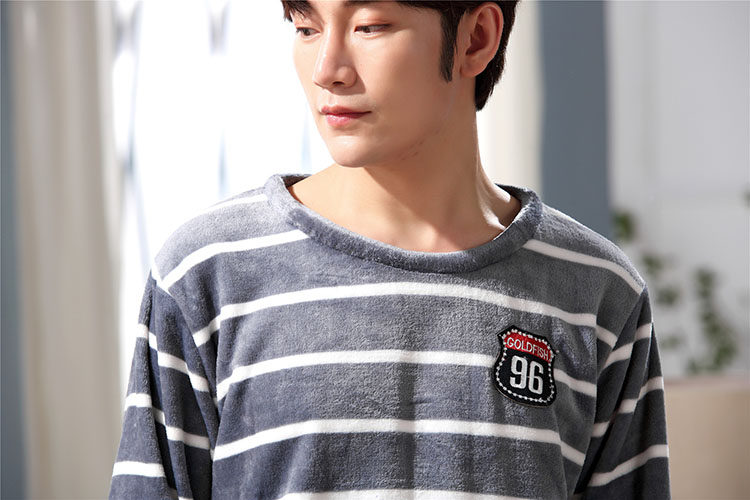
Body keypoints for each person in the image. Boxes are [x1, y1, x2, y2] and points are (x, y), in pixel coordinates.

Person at [110, 1, 670, 498]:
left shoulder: (599, 292)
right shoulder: (206, 274)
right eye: (305, 26)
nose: (327, 69)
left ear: (476, 38)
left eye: (370, 26)